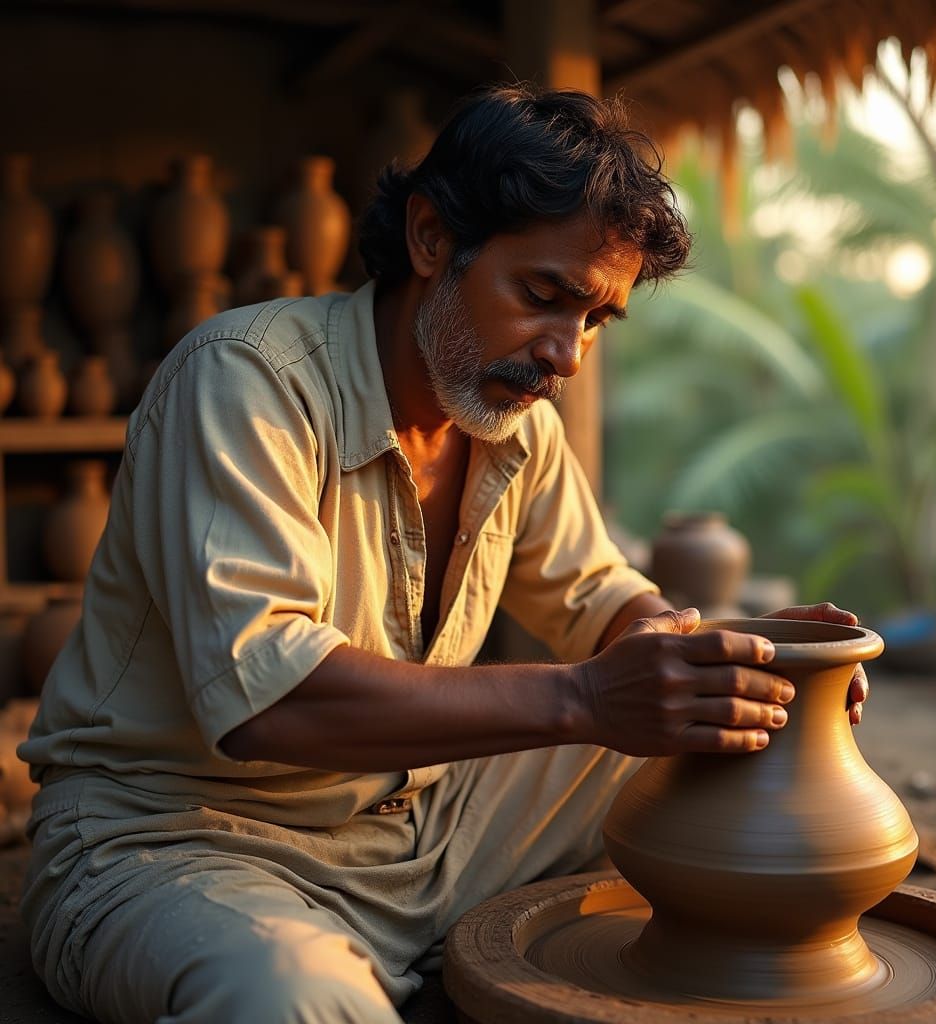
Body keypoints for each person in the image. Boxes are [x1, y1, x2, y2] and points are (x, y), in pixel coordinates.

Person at [18, 84, 868, 1024]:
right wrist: (585, 697)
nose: (568, 355)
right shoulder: (246, 380)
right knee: (290, 998)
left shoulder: (512, 427)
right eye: (545, 296)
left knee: (727, 731)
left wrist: (736, 662)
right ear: (430, 239)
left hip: (418, 831)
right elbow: (266, 701)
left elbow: (603, 598)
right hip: (175, 839)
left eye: (597, 321)